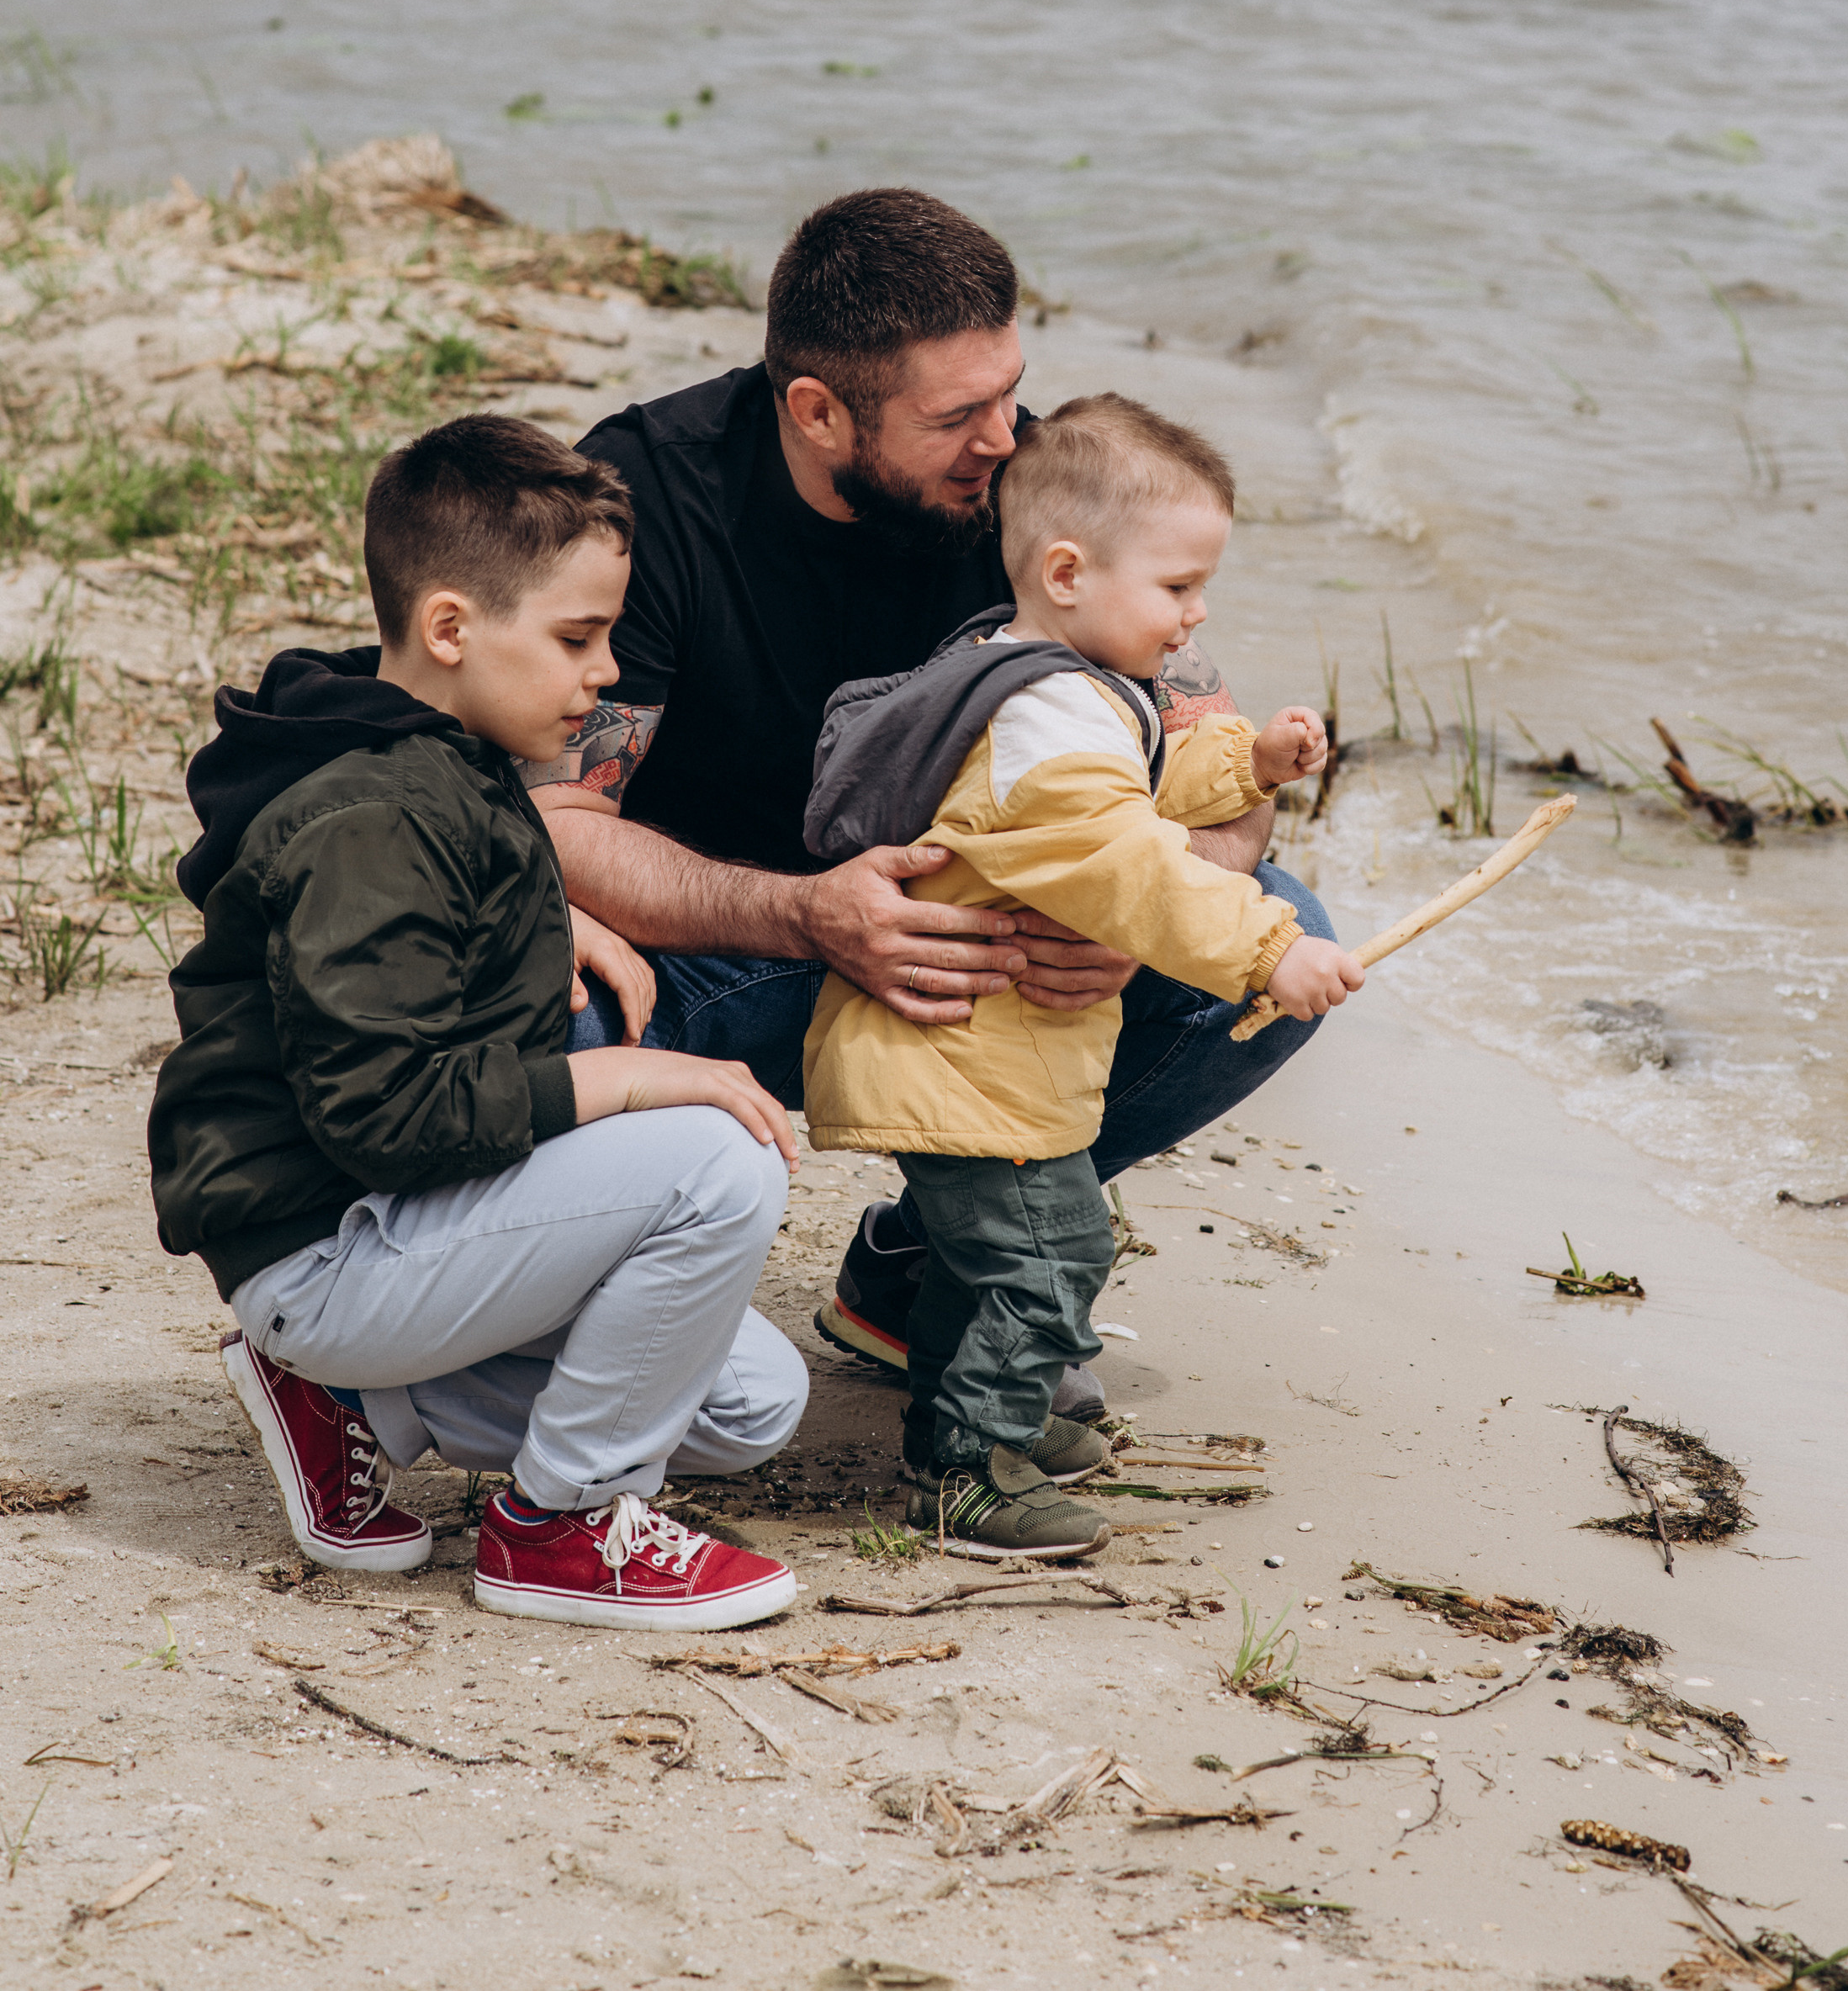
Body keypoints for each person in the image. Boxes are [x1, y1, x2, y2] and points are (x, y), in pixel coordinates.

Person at [538, 187, 1347, 1411]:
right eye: (956, 415)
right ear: (815, 410)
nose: (1003, 437)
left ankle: (933, 1267)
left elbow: (1220, 782)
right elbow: (557, 823)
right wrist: (809, 914)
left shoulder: (1031, 503)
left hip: (990, 954)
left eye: (1010, 391)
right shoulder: (646, 500)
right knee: (539, 1027)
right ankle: (537, 1314)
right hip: (724, 944)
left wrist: (1135, 920)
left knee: (1282, 947)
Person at [146, 416, 808, 1630]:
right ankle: (560, 1528)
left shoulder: (437, 749)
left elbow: (438, 919)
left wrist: (542, 926)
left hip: (393, 1219)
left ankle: (354, 1403)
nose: (606, 673)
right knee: (719, 1155)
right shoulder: (369, 817)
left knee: (754, 1402)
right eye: (576, 638)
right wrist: (636, 1080)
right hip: (325, 1239)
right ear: (451, 629)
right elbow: (390, 1112)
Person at [798, 394, 1365, 1558]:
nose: (1195, 614)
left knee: (996, 1252)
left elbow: (1144, 774)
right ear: (1068, 569)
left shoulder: (1044, 682)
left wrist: (1246, 760)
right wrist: (1270, 946)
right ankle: (968, 1470)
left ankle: (975, 1417)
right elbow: (1125, 865)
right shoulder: (1049, 723)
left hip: (985, 1058)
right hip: (964, 1059)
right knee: (1055, 1253)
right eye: (1176, 589)